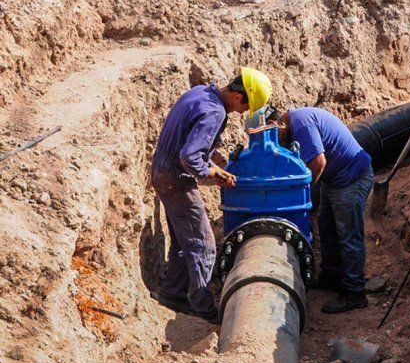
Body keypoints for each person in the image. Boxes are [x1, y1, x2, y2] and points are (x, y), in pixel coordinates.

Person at [151, 67, 272, 323]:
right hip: (176, 178)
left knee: (184, 241)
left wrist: (215, 165)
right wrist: (211, 174)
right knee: (203, 245)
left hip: (162, 171)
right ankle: (203, 310)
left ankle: (174, 294)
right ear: (239, 97)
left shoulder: (200, 93)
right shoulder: (215, 111)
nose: (241, 114)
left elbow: (188, 143)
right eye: (244, 108)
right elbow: (189, 156)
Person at [275, 107, 374, 314]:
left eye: (276, 135)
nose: (278, 141)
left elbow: (318, 162)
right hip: (336, 178)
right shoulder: (296, 122)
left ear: (280, 123)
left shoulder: (301, 124)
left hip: (351, 178)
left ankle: (354, 292)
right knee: (326, 225)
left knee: (348, 236)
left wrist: (303, 192)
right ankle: (332, 276)